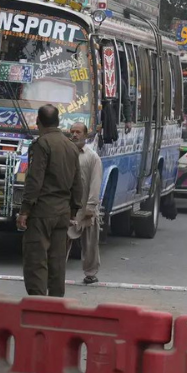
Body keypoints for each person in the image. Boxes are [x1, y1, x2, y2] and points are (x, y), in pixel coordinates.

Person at [18, 105, 83, 297]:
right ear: (58, 122)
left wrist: (25, 210)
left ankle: (38, 303)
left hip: (42, 212)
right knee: (57, 261)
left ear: (38, 122)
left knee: (36, 259)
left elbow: (34, 180)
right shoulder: (71, 146)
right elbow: (77, 182)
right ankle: (56, 304)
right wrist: (73, 210)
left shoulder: (42, 145)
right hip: (62, 211)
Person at [67, 121, 103, 285]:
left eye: (78, 132)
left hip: (86, 207)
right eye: (72, 132)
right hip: (67, 207)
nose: (74, 135)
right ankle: (57, 270)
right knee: (61, 242)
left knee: (89, 244)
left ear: (86, 135)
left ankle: (90, 273)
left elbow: (95, 183)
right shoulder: (65, 153)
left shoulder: (92, 157)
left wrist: (91, 206)